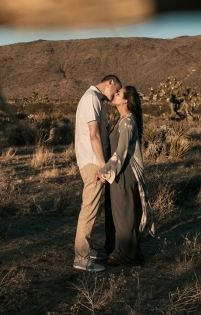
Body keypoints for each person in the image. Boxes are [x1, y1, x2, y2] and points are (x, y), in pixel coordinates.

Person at [97, 86, 155, 266]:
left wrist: (104, 171)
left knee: (125, 213)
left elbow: (121, 152)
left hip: (125, 172)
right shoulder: (120, 120)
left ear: (125, 101)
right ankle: (120, 251)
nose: (115, 94)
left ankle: (125, 256)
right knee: (119, 212)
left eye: (118, 93)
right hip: (118, 171)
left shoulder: (128, 122)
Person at [73, 75, 122, 272]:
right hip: (94, 162)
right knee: (89, 209)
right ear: (110, 82)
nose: (116, 94)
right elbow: (93, 135)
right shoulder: (92, 98)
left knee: (91, 207)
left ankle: (88, 249)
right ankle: (81, 258)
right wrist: (104, 166)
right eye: (116, 89)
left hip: (92, 161)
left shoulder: (93, 98)